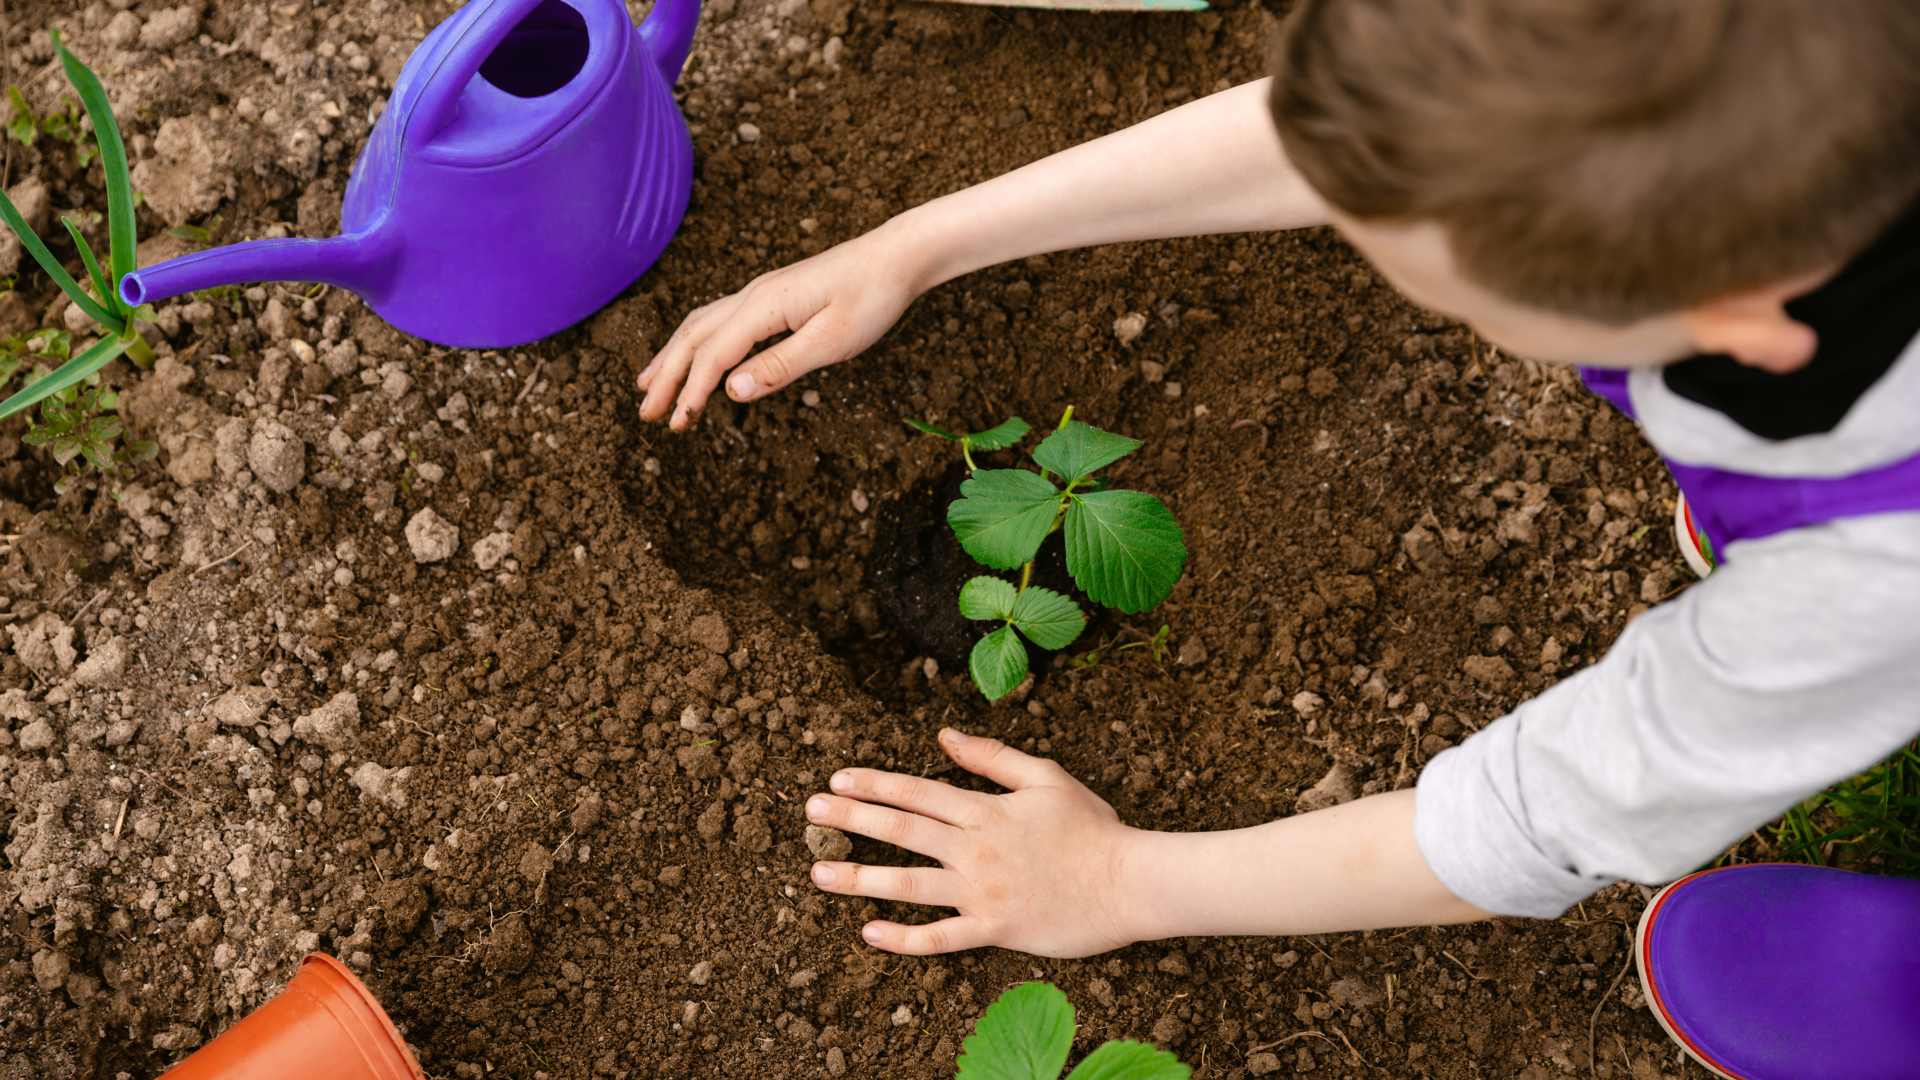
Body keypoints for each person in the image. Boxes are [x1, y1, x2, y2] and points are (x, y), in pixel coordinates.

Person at [637, 3, 1920, 1075]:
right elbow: (1354, 142)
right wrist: (918, 245)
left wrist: (1124, 883)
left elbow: (1539, 815)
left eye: (1430, 272)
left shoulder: (1868, 581)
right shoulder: (1765, 136)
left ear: (1741, 315)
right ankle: (1761, 477)